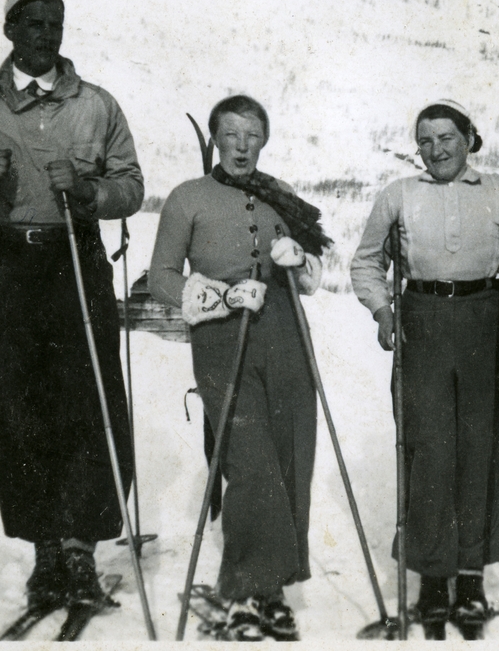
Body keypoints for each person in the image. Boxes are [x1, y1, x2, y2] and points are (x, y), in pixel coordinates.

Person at [0, 0, 144, 613]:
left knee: (89, 400)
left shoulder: (96, 106)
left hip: (75, 257)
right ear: (10, 31)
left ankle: (80, 545)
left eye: (56, 24)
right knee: (19, 405)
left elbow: (130, 186)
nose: (47, 35)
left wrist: (86, 190)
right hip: (7, 265)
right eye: (34, 24)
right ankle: (45, 548)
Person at [350, 100, 499, 641]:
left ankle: (472, 577)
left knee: (480, 445)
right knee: (430, 448)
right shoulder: (399, 195)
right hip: (423, 321)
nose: (436, 150)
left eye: (447, 137)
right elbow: (366, 261)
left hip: (486, 320)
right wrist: (383, 309)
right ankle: (434, 577)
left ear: (469, 138)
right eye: (425, 141)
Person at [148, 94, 330, 642]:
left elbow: (315, 266)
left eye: (252, 134)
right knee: (249, 462)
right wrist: (223, 297)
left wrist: (301, 262)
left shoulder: (281, 196)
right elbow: (161, 276)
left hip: (285, 335)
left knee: (291, 452)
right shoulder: (188, 198)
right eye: (230, 134)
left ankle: (273, 588)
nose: (241, 145)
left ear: (264, 140)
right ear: (215, 138)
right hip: (223, 337)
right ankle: (245, 593)